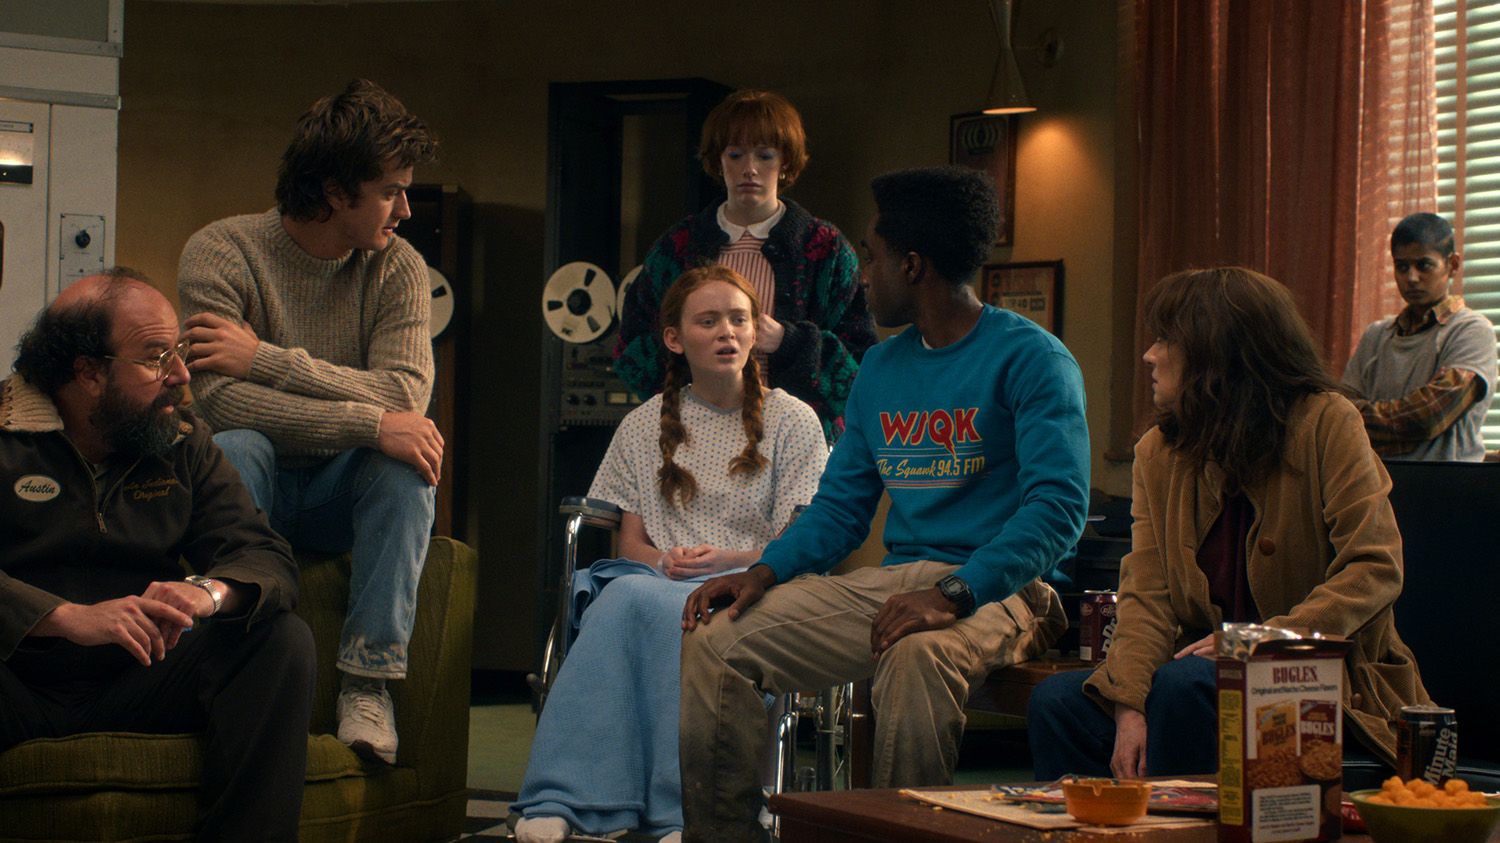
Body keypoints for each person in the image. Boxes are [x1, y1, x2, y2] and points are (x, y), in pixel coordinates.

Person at [677, 167, 1090, 842]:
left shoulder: (1034, 359)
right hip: (899, 582)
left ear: (913, 265)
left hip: (1007, 588)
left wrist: (953, 592)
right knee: (717, 640)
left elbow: (1058, 510)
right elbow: (841, 508)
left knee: (915, 655)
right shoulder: (881, 367)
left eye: (872, 257)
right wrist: (764, 571)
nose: (864, 276)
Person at [1027, 267, 1431, 783]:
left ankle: (1184, 823)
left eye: (1165, 340)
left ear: (1215, 353)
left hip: (1318, 678)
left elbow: (1375, 566)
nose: (1148, 355)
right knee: (1059, 702)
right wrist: (1127, 703)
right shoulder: (1157, 452)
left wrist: (1259, 641)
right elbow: (1148, 594)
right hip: (1196, 675)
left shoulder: (1327, 421)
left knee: (1186, 685)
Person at [512, 265, 828, 843]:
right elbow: (630, 544)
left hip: (755, 582)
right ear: (676, 339)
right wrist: (664, 563)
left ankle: (681, 811)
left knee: (663, 611)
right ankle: (566, 796)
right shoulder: (643, 424)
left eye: (739, 319)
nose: (727, 332)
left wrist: (727, 560)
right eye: (709, 321)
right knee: (621, 597)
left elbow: (801, 541)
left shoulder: (793, 420)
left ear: (755, 332)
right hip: (658, 577)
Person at [176, 79, 441, 765]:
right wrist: (371, 422)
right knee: (238, 444)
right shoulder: (222, 250)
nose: (405, 209)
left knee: (406, 463)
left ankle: (368, 684)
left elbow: (403, 393)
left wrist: (263, 359)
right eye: (390, 191)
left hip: (335, 493)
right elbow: (219, 401)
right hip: (246, 488)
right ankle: (239, 658)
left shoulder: (399, 268)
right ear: (332, 191)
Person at [0, 269, 313, 841]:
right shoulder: (5, 432)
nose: (181, 375)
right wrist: (63, 617)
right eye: (155, 358)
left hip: (140, 677)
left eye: (179, 352)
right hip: (18, 681)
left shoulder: (180, 441)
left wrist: (208, 593)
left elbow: (262, 553)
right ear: (89, 373)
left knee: (280, 639)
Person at [614, 89, 876, 442]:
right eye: (735, 154)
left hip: (795, 438)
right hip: (694, 437)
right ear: (718, 160)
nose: (749, 169)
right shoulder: (678, 247)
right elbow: (630, 352)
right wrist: (690, 355)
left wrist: (790, 342)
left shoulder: (823, 248)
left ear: (785, 162)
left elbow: (860, 365)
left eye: (765, 155)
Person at [1342, 212, 1496, 460]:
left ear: (1453, 265)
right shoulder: (1375, 336)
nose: (1411, 278)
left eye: (1423, 265)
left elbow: (1428, 417)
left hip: (1448, 480)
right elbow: (1340, 417)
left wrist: (1361, 420)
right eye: (1402, 267)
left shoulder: (1472, 331)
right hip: (1377, 479)